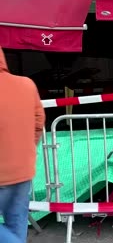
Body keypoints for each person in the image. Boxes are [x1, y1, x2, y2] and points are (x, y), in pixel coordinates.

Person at [0, 47, 45, 243]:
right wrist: (23, 151)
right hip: (22, 170)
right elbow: (38, 121)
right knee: (16, 221)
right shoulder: (27, 84)